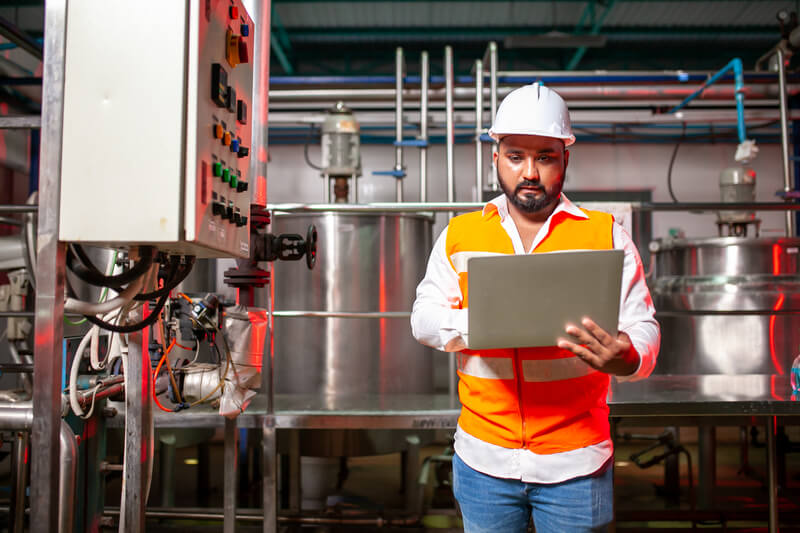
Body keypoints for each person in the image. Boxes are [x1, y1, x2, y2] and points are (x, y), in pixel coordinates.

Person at [410, 84, 660, 533]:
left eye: (545, 157)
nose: (530, 172)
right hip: (484, 458)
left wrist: (629, 356)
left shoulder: (606, 235)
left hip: (577, 464)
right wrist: (487, 322)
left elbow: (642, 325)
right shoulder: (460, 235)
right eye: (516, 156)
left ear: (566, 158)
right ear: (495, 158)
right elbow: (424, 318)